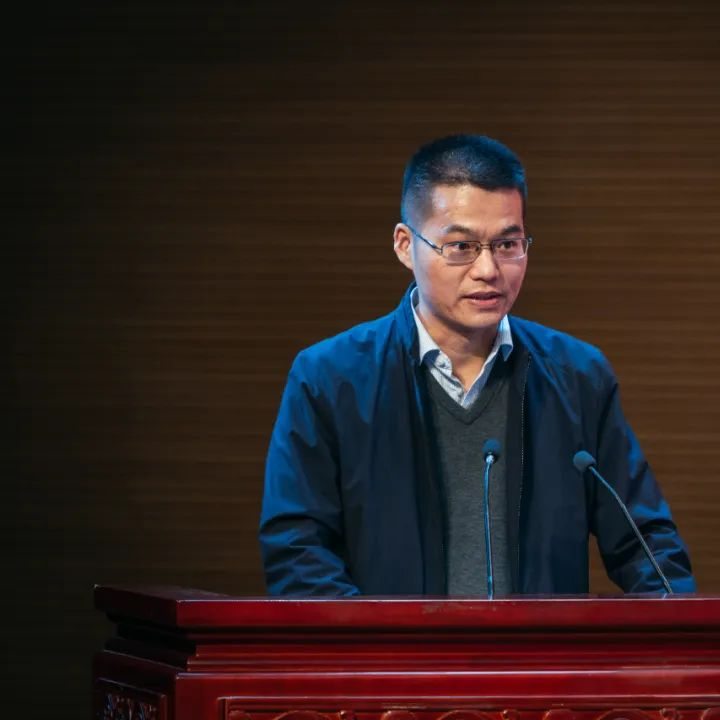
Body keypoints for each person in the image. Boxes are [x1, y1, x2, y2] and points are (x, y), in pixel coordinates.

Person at [259, 134, 695, 596]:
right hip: (389, 647)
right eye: (461, 246)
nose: (488, 269)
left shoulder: (577, 376)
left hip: (539, 647)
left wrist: (670, 627)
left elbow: (647, 546)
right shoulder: (330, 378)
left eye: (507, 244)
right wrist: (380, 641)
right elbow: (298, 554)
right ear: (405, 245)